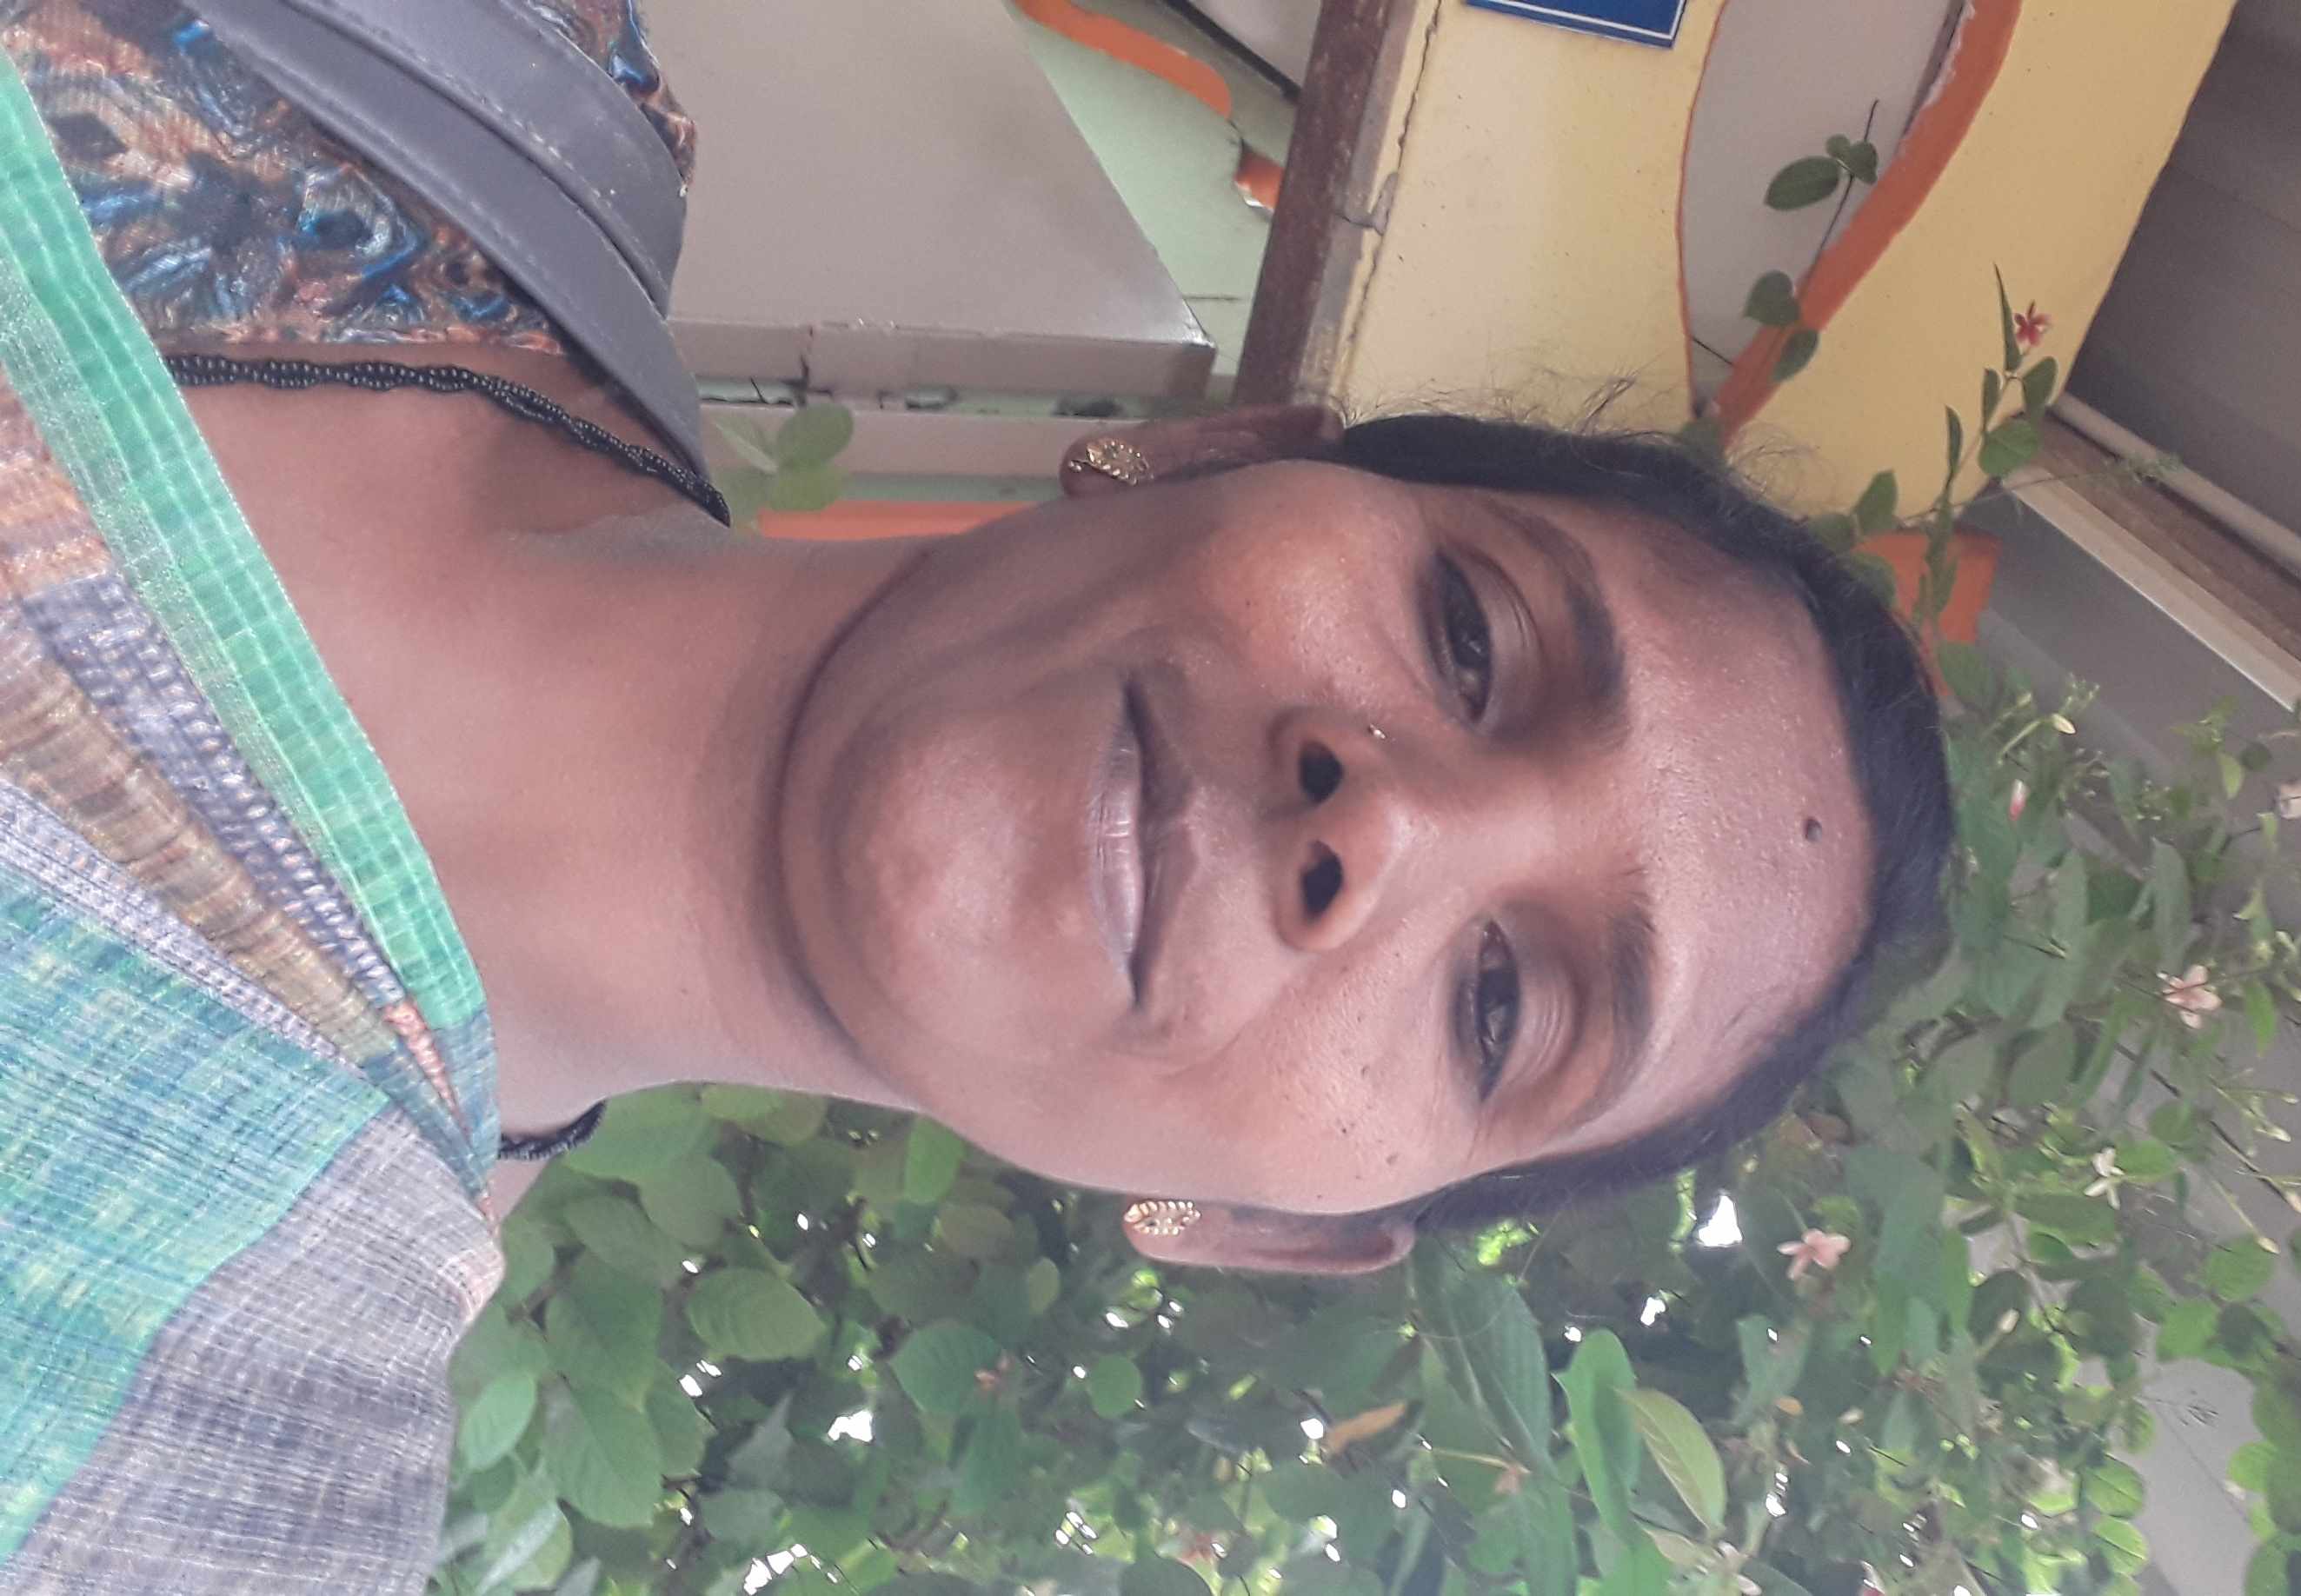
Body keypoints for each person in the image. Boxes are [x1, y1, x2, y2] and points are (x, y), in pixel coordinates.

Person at [0, 1, 1951, 1590]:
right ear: (1221, 452)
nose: (1388, 832)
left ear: (1262, 1230)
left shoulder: (187, 1488)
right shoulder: (470, 59)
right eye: (1469, 635)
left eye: (1503, 1008)